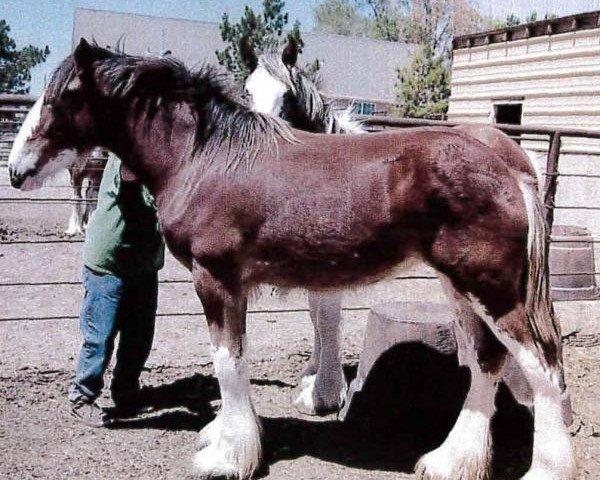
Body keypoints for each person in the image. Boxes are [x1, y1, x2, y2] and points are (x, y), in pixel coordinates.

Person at [68, 150, 165, 427]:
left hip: (143, 261)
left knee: (139, 335)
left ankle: (126, 390)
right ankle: (82, 396)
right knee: (100, 335)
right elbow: (143, 192)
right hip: (109, 261)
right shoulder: (129, 156)